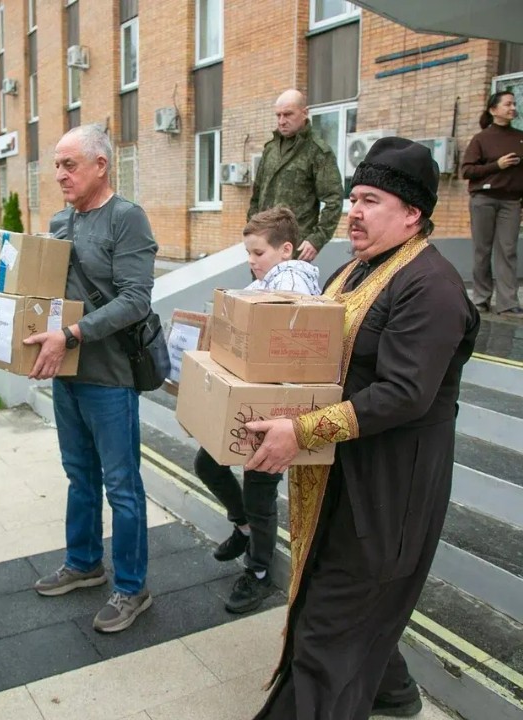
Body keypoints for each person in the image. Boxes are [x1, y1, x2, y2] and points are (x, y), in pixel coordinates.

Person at [244, 137, 480, 719]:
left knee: (327, 631)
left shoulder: (432, 286)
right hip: (342, 473)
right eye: (353, 199)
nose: (353, 211)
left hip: (390, 489)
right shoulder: (353, 269)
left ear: (412, 213)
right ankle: (393, 692)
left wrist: (302, 431)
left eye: (370, 201)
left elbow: (404, 393)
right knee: (335, 600)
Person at [24, 124, 158, 633]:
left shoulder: (127, 219)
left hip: (110, 377)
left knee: (121, 485)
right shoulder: (60, 222)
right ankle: (83, 563)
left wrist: (71, 335)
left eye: (69, 164)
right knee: (79, 475)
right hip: (68, 372)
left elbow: (136, 299)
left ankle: (132, 587)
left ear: (101, 165)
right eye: (57, 166)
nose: (60, 175)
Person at [194, 206, 320, 615]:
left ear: (286, 250)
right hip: (255, 400)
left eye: (258, 252)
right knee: (208, 463)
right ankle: (244, 527)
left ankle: (260, 571)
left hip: (278, 406)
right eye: (248, 253)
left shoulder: (291, 280)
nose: (251, 260)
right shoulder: (268, 279)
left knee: (259, 489)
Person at [248, 89, 344, 263]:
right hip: (264, 246)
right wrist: (252, 231)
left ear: (304, 113)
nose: (281, 121)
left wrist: (317, 239)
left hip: (294, 248)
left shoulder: (317, 151)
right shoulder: (270, 149)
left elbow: (334, 200)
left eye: (288, 114)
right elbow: (256, 195)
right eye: (278, 115)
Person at [461, 90, 523, 316]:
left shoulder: (520, 137)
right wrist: (498, 165)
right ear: (493, 109)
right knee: (482, 250)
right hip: (484, 199)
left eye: (514, 104)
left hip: (511, 201)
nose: (513, 108)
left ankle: (508, 303)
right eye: (508, 104)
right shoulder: (481, 138)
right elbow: (467, 170)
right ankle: (481, 299)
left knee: (508, 251)